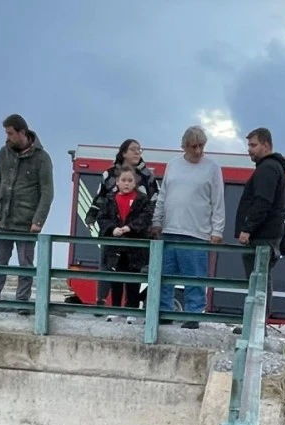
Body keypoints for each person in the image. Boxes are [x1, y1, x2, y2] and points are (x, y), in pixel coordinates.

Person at [151, 125, 225, 329]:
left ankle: (194, 313)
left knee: (195, 277)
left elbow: (217, 200)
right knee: (165, 276)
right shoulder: (173, 165)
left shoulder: (212, 167)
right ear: (184, 146)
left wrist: (217, 230)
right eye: (194, 146)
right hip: (169, 229)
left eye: (202, 146)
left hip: (197, 232)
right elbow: (163, 195)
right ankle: (164, 312)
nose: (198, 151)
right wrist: (156, 221)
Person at [0, 113, 54, 313]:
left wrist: (38, 220)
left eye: (10, 133)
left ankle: (22, 302)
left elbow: (47, 192)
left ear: (22, 132)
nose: (7, 137)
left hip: (26, 222)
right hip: (4, 219)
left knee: (25, 264)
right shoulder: (3, 152)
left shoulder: (42, 158)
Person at [234, 127, 285, 331]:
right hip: (270, 236)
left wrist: (248, 228)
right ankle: (258, 324)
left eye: (253, 145)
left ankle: (255, 326)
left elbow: (263, 202)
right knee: (262, 279)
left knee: (257, 281)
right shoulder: (276, 168)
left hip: (261, 237)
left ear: (266, 145)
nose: (249, 149)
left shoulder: (267, 169)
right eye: (248, 145)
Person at [94, 165, 154, 323]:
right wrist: (112, 229)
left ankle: (131, 311)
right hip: (115, 247)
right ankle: (115, 310)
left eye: (130, 180)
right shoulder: (110, 199)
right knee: (116, 280)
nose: (126, 183)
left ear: (135, 183)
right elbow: (102, 217)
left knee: (133, 281)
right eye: (123, 180)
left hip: (135, 248)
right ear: (117, 182)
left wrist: (130, 227)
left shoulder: (142, 200)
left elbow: (146, 217)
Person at [84, 139, 159, 228]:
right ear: (123, 153)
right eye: (133, 149)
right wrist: (91, 216)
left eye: (139, 150)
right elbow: (100, 198)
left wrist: (156, 224)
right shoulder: (109, 175)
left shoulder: (147, 175)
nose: (137, 152)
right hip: (113, 230)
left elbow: (156, 201)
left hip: (139, 231)